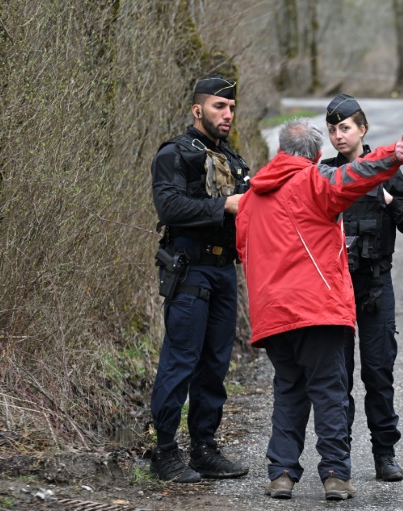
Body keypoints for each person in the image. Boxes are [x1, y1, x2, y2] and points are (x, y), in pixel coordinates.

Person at [235, 118, 403, 500]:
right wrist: (391, 157)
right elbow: (355, 175)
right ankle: (335, 474)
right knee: (329, 392)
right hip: (316, 310)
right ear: (318, 156)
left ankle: (282, 474)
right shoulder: (315, 182)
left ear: (280, 152)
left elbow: (244, 250)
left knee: (288, 389)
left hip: (273, 314)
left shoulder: (251, 197)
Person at [149, 74, 250, 483]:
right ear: (198, 110)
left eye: (230, 108)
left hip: (226, 271)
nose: (227, 114)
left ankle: (204, 448)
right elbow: (169, 206)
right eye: (218, 107)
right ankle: (164, 452)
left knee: (214, 365)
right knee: (181, 361)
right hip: (190, 270)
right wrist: (225, 204)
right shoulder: (175, 153)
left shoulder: (234, 159)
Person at [322, 94, 403, 482]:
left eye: (344, 128)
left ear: (362, 130)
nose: (337, 136)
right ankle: (339, 457)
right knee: (337, 375)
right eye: (332, 129)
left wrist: (386, 195)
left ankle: (385, 453)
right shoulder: (325, 173)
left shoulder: (386, 170)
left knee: (378, 372)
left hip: (376, 284)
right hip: (335, 287)